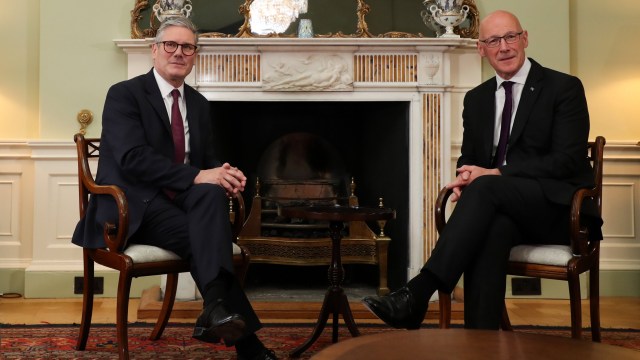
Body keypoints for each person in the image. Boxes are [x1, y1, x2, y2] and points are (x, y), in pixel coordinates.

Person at [363, 10, 602, 330]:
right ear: (481, 48)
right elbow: (471, 157)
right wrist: (465, 176)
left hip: (558, 208)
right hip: (503, 209)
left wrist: (495, 175)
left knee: (486, 188)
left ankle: (418, 292)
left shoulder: (563, 87)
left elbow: (567, 160)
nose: (503, 47)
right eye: (493, 40)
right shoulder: (476, 99)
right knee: (491, 230)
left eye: (510, 37)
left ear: (525, 38)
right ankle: (480, 342)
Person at [72, 17, 277, 360]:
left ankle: (214, 306)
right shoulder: (125, 94)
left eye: (187, 47)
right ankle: (249, 345)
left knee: (211, 197)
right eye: (171, 45)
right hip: (130, 206)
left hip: (177, 204)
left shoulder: (198, 104)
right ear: (154, 50)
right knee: (210, 240)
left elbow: (207, 163)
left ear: (194, 55)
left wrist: (224, 174)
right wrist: (199, 177)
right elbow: (132, 158)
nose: (179, 52)